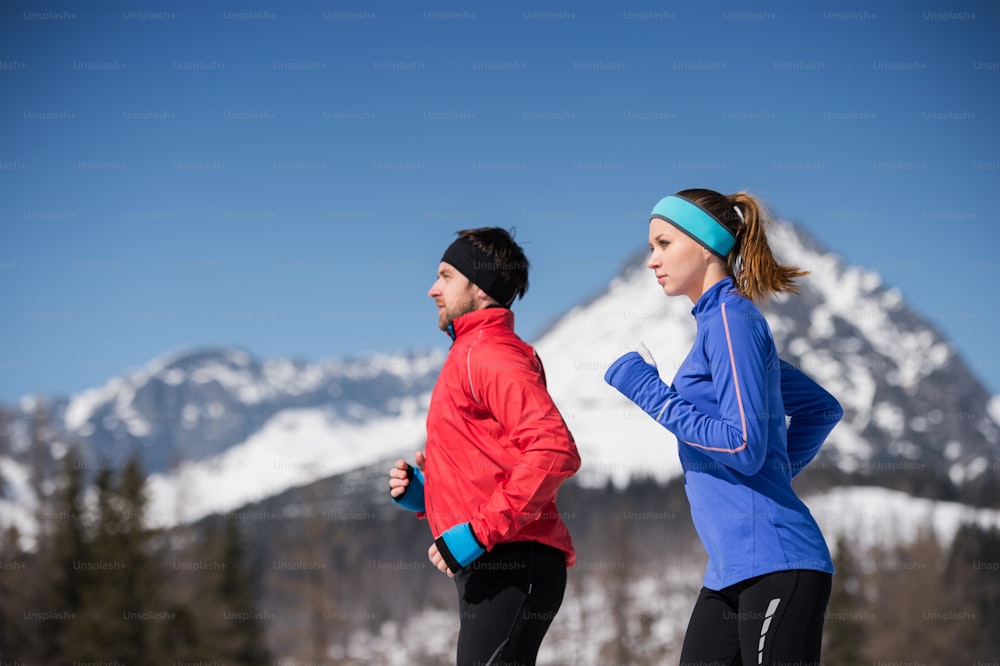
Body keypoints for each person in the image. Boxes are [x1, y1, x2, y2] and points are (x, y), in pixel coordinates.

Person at [603, 188, 843, 665]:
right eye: (652, 247)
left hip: (778, 561)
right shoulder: (717, 324)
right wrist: (772, 472)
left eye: (664, 244)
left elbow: (744, 445)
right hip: (728, 573)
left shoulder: (731, 319)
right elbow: (820, 409)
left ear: (707, 243)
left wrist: (651, 393)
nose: (652, 260)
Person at [388, 227, 581, 666]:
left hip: (513, 561)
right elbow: (492, 461)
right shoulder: (468, 353)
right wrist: (427, 491)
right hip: (495, 564)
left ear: (479, 285)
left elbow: (553, 449)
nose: (432, 289)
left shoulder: (491, 355)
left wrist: (478, 531)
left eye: (445, 276)